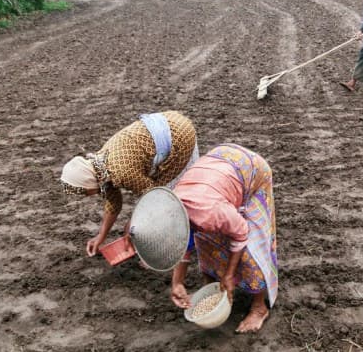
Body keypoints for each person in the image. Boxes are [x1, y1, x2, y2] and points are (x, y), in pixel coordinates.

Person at [133, 144, 278, 333]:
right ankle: (212, 288)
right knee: (205, 241)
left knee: (251, 246)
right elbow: (184, 242)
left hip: (249, 168)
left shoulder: (208, 212)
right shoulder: (171, 212)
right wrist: (177, 282)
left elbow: (241, 233)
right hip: (215, 171)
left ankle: (259, 307)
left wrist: (229, 275)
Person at [60, 111, 199, 256]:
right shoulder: (101, 167)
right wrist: (100, 237)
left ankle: (177, 243)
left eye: (83, 191)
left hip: (180, 135)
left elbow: (155, 195)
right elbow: (113, 203)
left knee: (171, 195)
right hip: (169, 121)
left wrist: (133, 224)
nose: (86, 195)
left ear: (87, 182)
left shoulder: (121, 172)